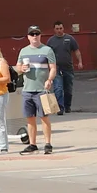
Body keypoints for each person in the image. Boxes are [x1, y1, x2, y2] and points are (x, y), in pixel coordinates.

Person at [15, 26, 58, 154]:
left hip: (41, 90)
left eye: (37, 34)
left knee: (44, 117)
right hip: (27, 89)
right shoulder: (23, 51)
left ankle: (48, 143)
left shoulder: (47, 50)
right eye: (32, 34)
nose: (34, 36)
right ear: (28, 37)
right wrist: (21, 68)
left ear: (40, 35)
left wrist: (49, 80)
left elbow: (53, 68)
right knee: (30, 118)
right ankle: (33, 144)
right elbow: (17, 67)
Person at [46, 24, 80, 117]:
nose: (59, 30)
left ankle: (67, 106)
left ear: (63, 28)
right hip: (56, 68)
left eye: (60, 28)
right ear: (54, 30)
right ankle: (60, 108)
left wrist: (80, 62)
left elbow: (76, 51)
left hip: (68, 68)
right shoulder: (51, 41)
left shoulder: (70, 39)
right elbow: (47, 54)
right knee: (58, 88)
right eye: (57, 29)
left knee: (68, 89)